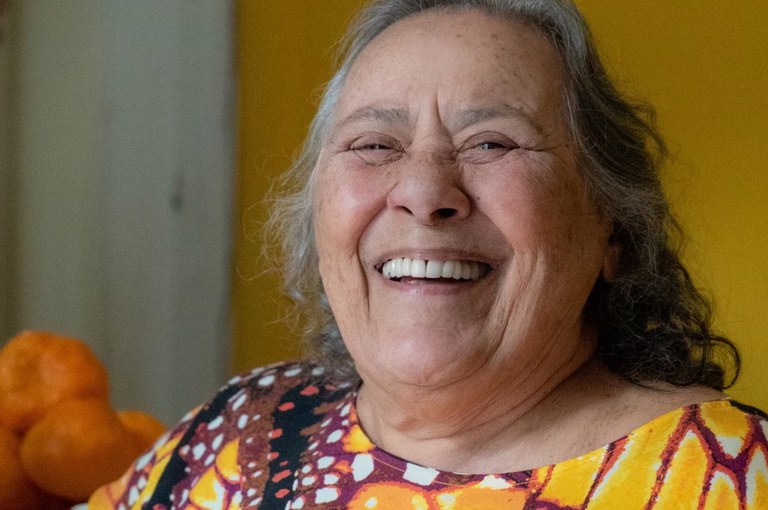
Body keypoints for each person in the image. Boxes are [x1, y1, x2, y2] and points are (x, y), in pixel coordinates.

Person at [88, 0, 768, 508]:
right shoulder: (248, 427)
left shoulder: (734, 479)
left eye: (491, 143)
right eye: (374, 145)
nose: (422, 192)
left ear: (612, 228)